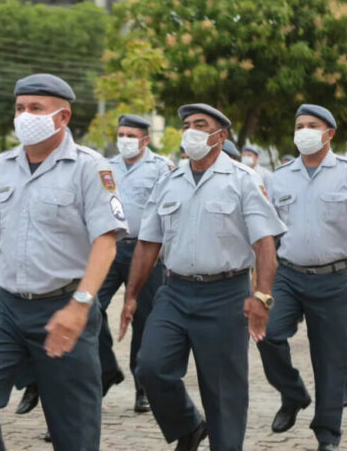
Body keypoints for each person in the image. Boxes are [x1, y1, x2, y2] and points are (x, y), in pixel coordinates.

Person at [0, 73, 128, 451]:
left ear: (62, 117)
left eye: (35, 108)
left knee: (73, 430)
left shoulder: (90, 168)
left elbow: (106, 243)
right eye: (19, 108)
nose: (24, 116)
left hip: (65, 306)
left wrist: (81, 304)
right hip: (7, 309)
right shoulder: (0, 167)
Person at [124, 103, 286, 451]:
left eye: (201, 124)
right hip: (175, 291)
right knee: (150, 366)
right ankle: (189, 425)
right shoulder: (169, 180)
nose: (191, 131)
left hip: (225, 294)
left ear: (221, 135)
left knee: (224, 392)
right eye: (187, 125)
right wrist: (131, 296)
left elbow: (264, 244)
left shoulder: (243, 180)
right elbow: (148, 243)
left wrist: (262, 297)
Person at [257, 104, 347, 451]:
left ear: (329, 134)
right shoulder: (280, 176)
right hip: (289, 275)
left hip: (335, 278)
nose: (303, 131)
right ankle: (293, 393)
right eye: (299, 125)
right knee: (267, 333)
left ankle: (327, 434)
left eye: (312, 125)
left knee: (330, 359)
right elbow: (266, 232)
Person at [91, 113, 169, 413]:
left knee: (144, 320)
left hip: (146, 251)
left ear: (145, 140)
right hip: (110, 247)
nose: (124, 140)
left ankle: (143, 389)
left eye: (130, 135)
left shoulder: (161, 167)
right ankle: (107, 369)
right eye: (121, 134)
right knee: (89, 306)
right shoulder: (105, 167)